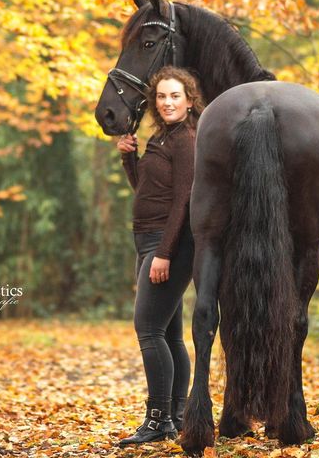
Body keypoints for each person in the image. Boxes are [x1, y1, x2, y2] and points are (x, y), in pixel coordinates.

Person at [116, 66, 205, 446]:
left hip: (168, 244)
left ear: (189, 101)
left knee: (148, 330)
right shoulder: (162, 137)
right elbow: (146, 192)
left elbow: (184, 201)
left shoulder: (185, 139)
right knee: (168, 334)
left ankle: (157, 419)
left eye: (175, 96)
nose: (167, 102)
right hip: (148, 241)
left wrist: (165, 253)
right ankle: (176, 416)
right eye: (162, 97)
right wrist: (129, 159)